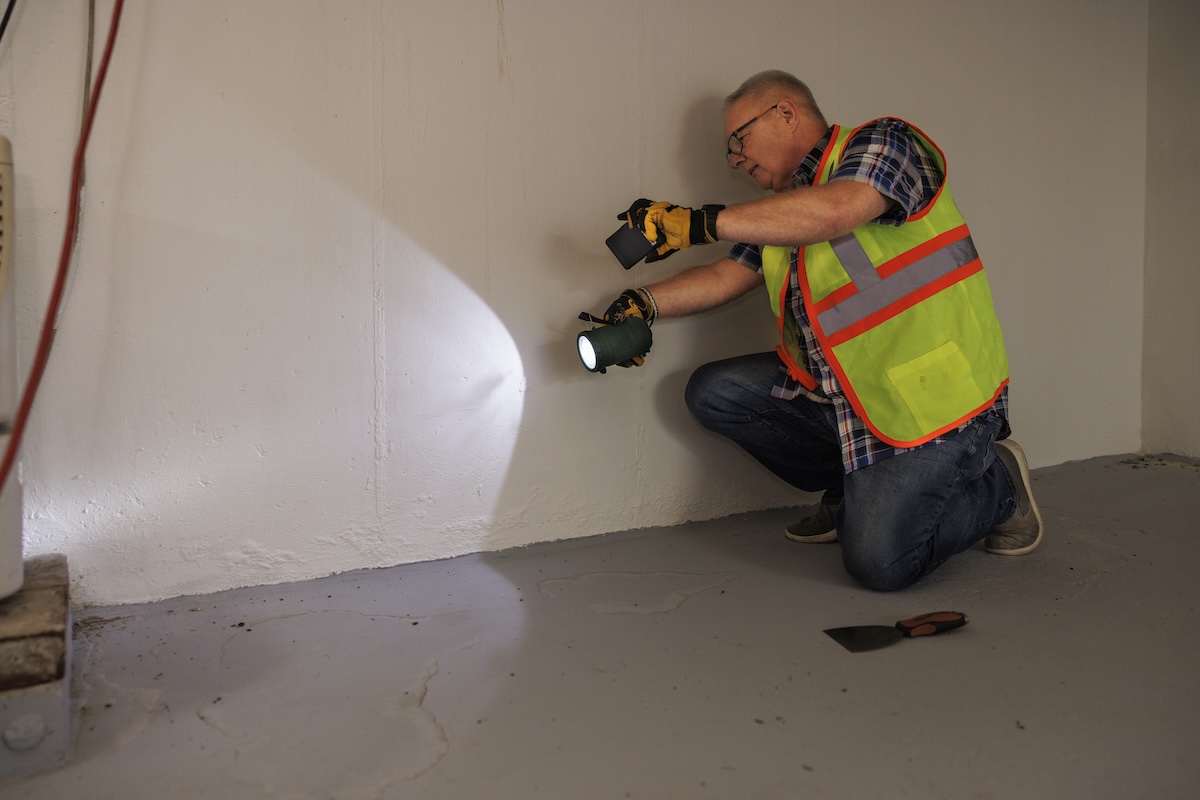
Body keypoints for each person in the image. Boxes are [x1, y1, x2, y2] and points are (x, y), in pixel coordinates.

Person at [597, 70, 1042, 591]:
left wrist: (700, 222)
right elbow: (724, 276)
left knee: (880, 563)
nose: (737, 160)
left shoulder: (885, 145)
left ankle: (1001, 485)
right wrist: (643, 304)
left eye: (738, 141)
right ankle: (851, 489)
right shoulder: (780, 215)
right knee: (714, 393)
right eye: (730, 153)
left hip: (937, 407)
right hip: (849, 398)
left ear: (786, 113)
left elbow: (839, 209)